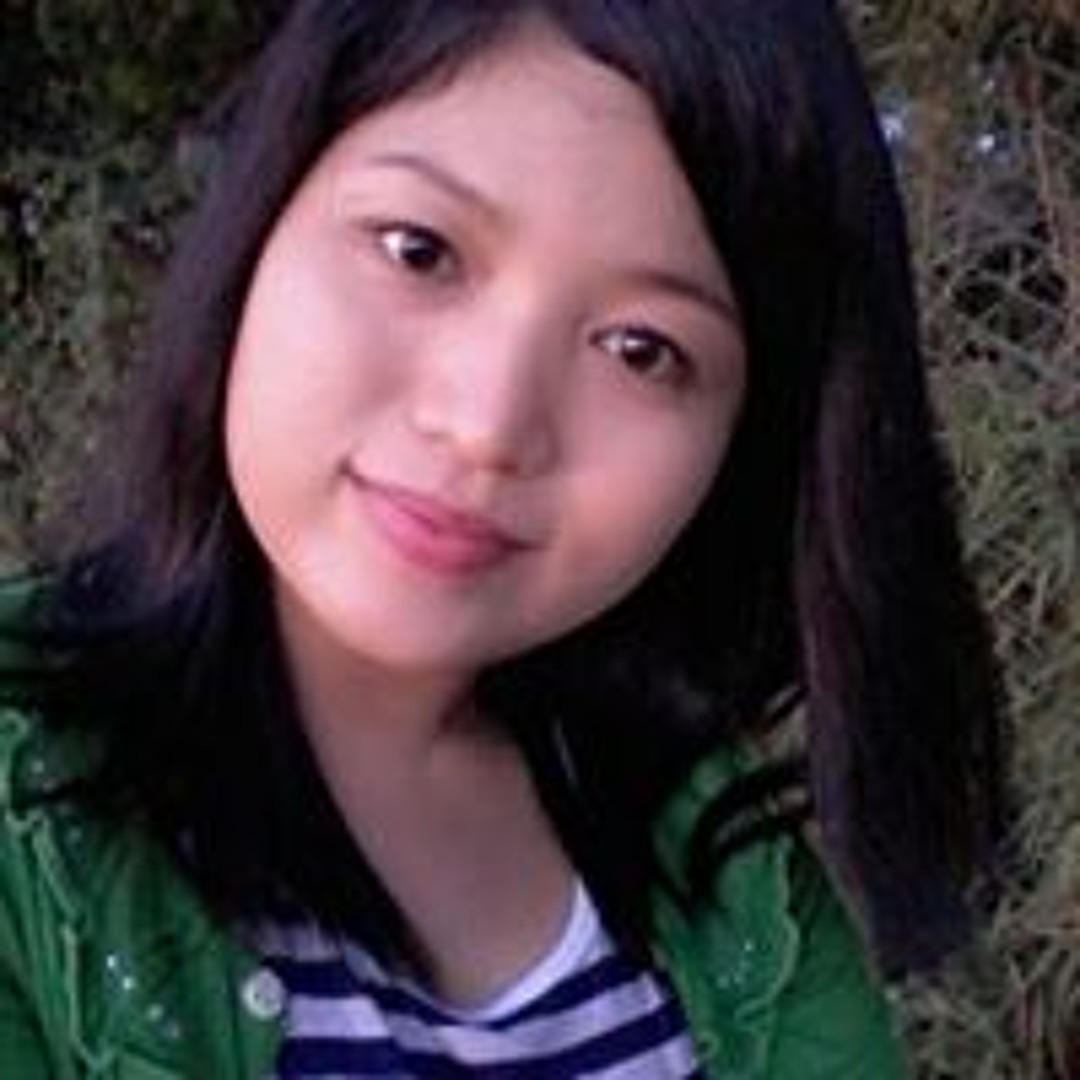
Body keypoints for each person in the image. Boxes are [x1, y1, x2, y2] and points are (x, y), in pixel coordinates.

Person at [0, 1, 1005, 1076]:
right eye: (419, 250)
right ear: (261, 215)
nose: (488, 424)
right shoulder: (32, 830)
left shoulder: (738, 882)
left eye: (641, 349)